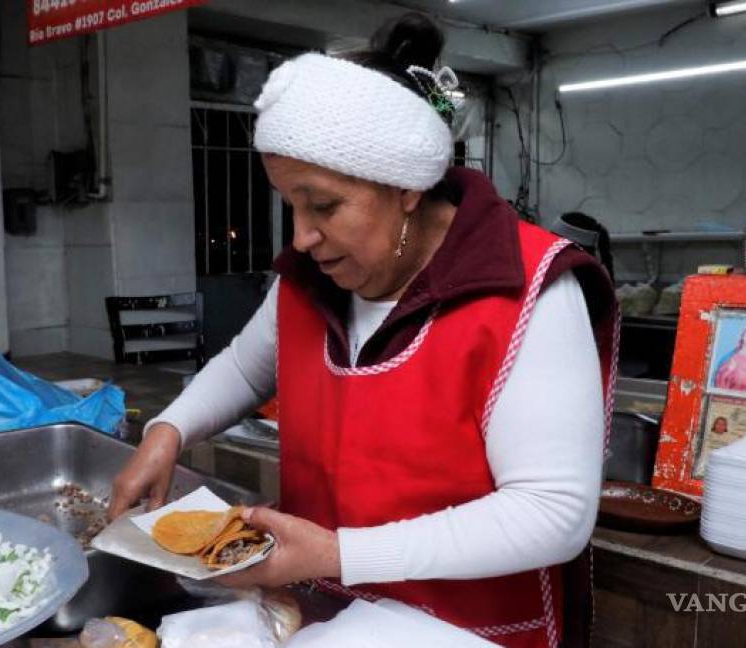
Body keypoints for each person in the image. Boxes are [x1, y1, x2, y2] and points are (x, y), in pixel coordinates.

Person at [107, 14, 617, 648]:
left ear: (405, 187)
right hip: (324, 620)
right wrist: (168, 431)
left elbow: (552, 514)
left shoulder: (530, 291)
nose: (300, 235)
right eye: (289, 203)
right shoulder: (309, 280)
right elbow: (245, 366)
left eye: (323, 206)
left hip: (471, 632)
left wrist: (337, 553)